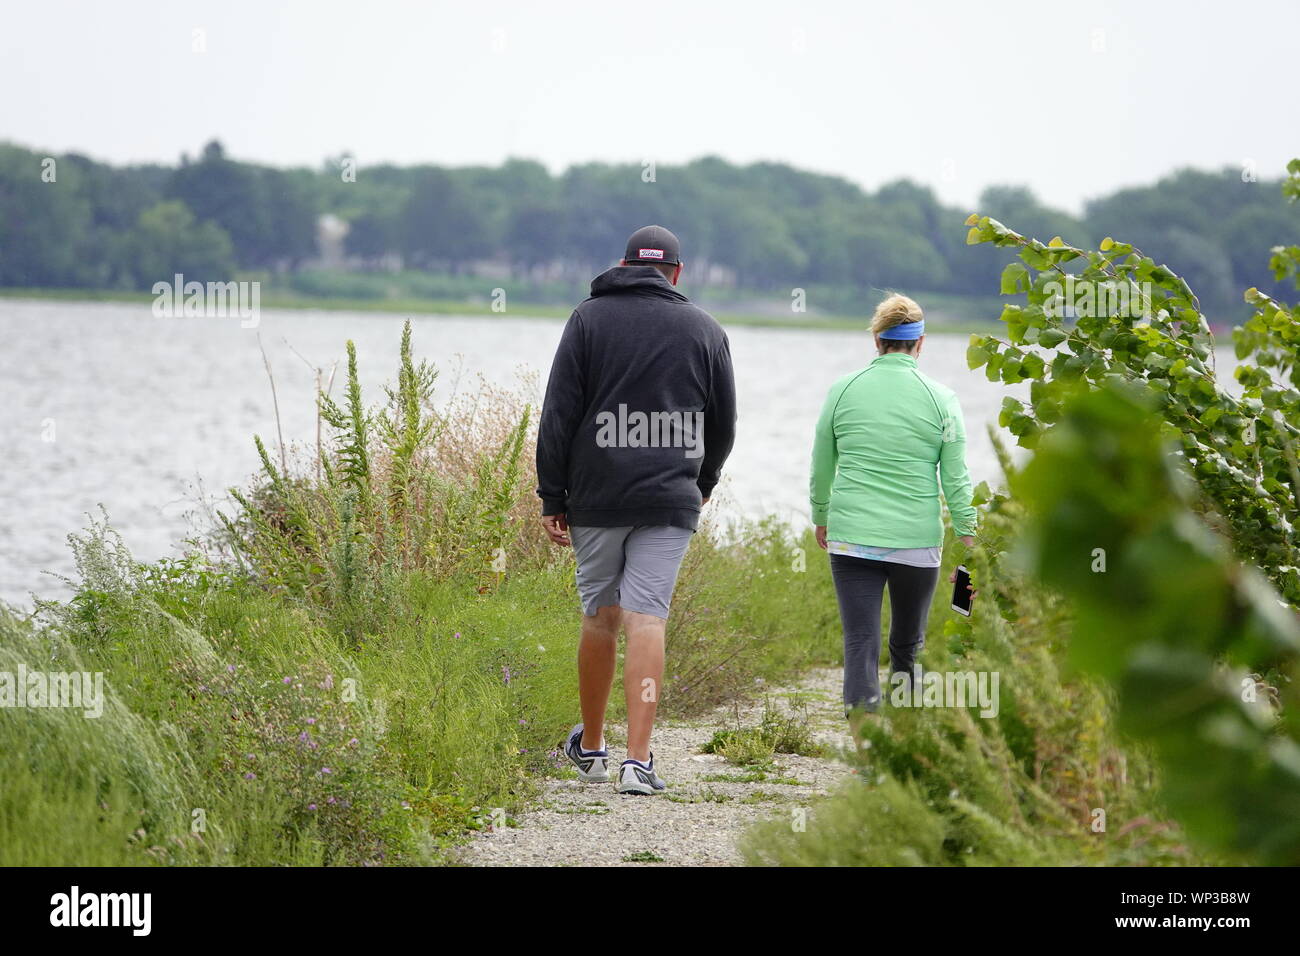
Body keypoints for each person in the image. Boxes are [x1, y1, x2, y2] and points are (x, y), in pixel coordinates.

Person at [537, 224, 737, 795]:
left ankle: (593, 749)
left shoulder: (587, 320)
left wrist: (553, 494)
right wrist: (703, 481)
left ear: (623, 265)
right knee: (647, 617)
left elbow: (559, 413)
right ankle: (638, 762)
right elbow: (723, 423)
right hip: (670, 498)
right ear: (676, 273)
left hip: (596, 496)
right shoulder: (706, 329)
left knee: (600, 618)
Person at [809, 293, 977, 717]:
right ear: (920, 343)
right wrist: (968, 531)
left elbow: (821, 465)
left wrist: (821, 516)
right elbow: (955, 477)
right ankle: (904, 748)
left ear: (877, 340)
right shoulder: (943, 399)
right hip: (916, 543)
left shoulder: (841, 390)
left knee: (859, 643)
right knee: (908, 646)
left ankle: (865, 756)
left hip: (852, 539)